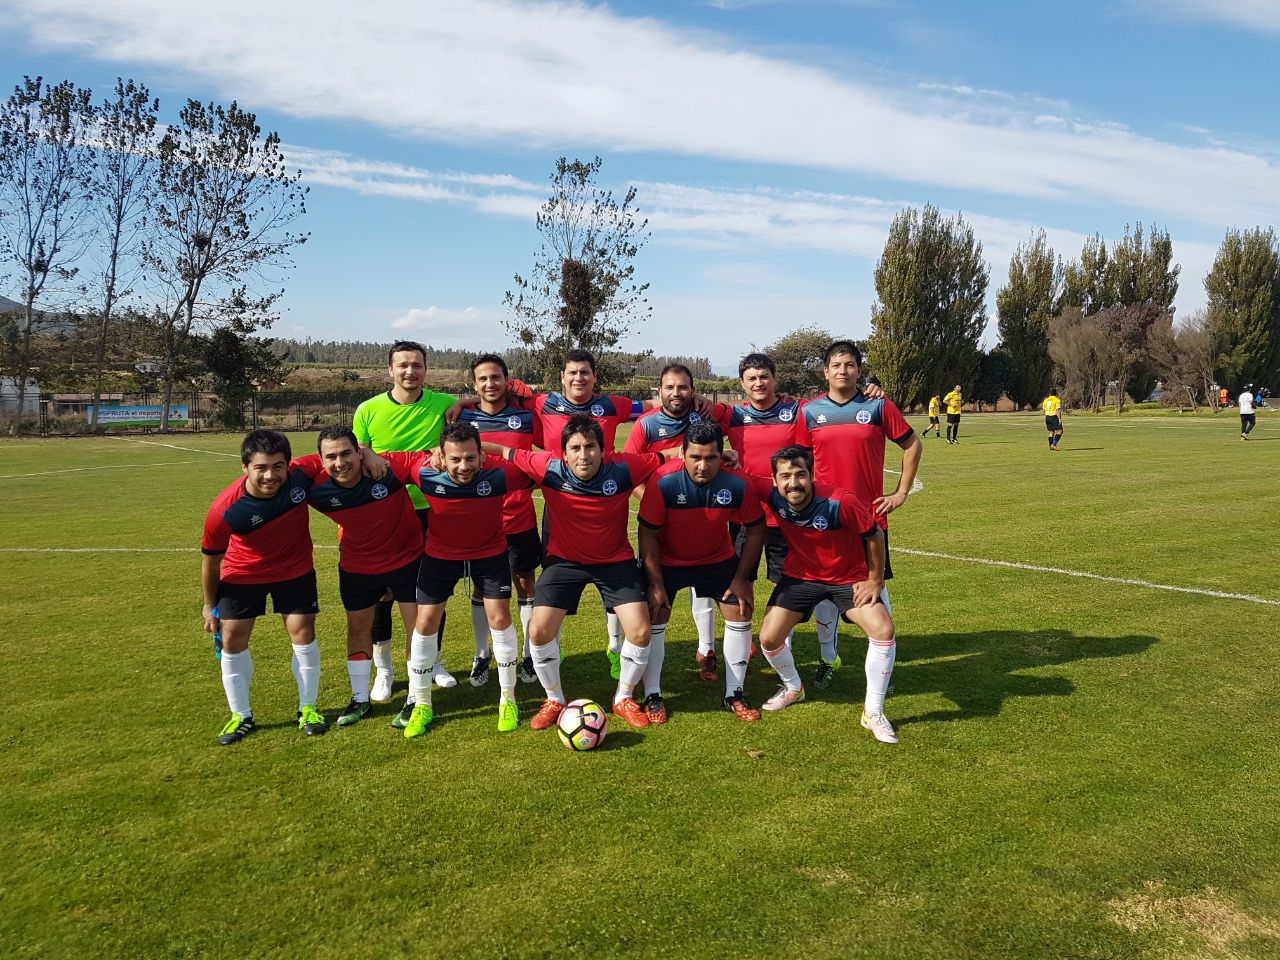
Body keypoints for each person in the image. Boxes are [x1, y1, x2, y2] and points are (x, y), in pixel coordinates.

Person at [495, 414, 665, 731]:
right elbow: (506, 452)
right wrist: (468, 451)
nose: (583, 454)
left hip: (614, 561)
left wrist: (720, 455)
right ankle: (554, 698)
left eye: (590, 447)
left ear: (604, 450)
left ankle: (623, 697)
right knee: (538, 631)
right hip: (563, 563)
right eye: (575, 448)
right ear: (564, 453)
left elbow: (666, 456)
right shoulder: (548, 467)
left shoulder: (624, 468)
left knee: (640, 632)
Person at [378, 422, 534, 735]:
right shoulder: (423, 470)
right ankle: (422, 703)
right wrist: (372, 453)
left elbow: (542, 466)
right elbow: (367, 456)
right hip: (440, 555)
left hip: (490, 554)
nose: (464, 466)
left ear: (481, 456)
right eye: (455, 459)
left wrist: (496, 449)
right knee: (425, 622)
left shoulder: (500, 473)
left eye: (470, 458)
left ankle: (508, 698)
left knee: (500, 618)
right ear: (442, 457)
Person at [746, 446, 899, 744]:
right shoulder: (771, 494)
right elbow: (737, 477)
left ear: (812, 476)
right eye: (785, 476)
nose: (793, 483)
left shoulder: (840, 501)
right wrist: (730, 458)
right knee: (768, 638)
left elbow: (874, 535)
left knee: (883, 630)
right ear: (774, 481)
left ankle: (873, 711)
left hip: (847, 578)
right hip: (800, 578)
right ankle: (793, 688)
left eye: (801, 475)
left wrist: (874, 579)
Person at [794, 340, 919, 689]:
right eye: (836, 365)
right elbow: (800, 464)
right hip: (824, 520)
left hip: (868, 518)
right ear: (825, 372)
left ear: (859, 370)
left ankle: (884, 672)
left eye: (849, 365)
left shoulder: (878, 405)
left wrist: (901, 493)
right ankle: (827, 658)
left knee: (876, 592)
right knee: (824, 595)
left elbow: (912, 444)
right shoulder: (809, 412)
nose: (842, 371)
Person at [201, 430, 324, 746]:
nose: (271, 475)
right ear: (245, 467)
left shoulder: (300, 473)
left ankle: (308, 709)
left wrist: (366, 453)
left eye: (278, 466)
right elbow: (211, 560)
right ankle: (241, 716)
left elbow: (332, 457)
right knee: (231, 637)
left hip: (294, 570)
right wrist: (208, 604)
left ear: (288, 464)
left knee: (303, 632)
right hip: (243, 574)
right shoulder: (224, 510)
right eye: (261, 467)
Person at [637, 422, 766, 723]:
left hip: (716, 559)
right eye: (695, 457)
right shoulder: (662, 482)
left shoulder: (737, 483)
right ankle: (653, 693)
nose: (703, 465)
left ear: (723, 457)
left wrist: (741, 578)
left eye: (711, 458)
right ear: (682, 453)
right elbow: (647, 535)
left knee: (740, 611)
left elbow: (757, 529)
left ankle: (734, 693)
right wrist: (655, 584)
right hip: (668, 561)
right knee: (655, 613)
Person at [352, 339, 458, 696]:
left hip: (433, 511)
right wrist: (366, 452)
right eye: (403, 365)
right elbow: (357, 449)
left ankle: (433, 660)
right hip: (384, 514)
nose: (410, 371)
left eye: (417, 365)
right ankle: (384, 670)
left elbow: (469, 412)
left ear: (426, 369)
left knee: (431, 592)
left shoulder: (443, 405)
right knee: (381, 594)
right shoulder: (368, 409)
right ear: (390, 369)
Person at [294, 426, 420, 727]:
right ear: (321, 460)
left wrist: (373, 454)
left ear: (359, 452)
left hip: (407, 559)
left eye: (346, 453)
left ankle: (416, 697)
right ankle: (360, 698)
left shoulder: (385, 467)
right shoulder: (315, 488)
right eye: (331, 457)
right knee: (357, 629)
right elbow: (293, 467)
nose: (340, 462)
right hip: (357, 565)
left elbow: (422, 460)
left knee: (417, 629)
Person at [625, 363, 729, 682]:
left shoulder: (705, 418)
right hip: (661, 522)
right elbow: (630, 469)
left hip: (703, 515)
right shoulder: (646, 424)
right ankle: (650, 677)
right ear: (659, 391)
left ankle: (707, 650)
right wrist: (653, 502)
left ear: (693, 390)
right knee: (660, 595)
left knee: (703, 587)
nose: (676, 393)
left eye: (682, 387)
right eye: (669, 387)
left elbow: (737, 412)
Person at [458, 353, 544, 687]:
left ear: (507, 381)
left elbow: (545, 454)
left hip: (519, 518)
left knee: (525, 581)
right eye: (483, 379)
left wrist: (530, 481)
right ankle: (482, 655)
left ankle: (528, 654)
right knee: (482, 587)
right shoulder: (462, 418)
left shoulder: (526, 416)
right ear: (474, 383)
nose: (490, 384)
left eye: (496, 377)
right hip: (478, 521)